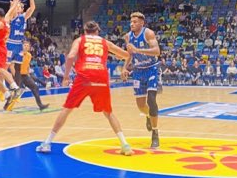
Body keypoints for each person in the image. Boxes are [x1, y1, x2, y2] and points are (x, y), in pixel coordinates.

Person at [36, 22, 132, 155]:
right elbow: (127, 55)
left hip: (84, 77)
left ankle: (47, 143)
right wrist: (122, 53)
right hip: (101, 77)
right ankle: (125, 145)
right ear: (98, 31)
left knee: (66, 109)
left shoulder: (80, 40)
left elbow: (70, 56)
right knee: (108, 113)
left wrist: (66, 77)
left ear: (85, 31)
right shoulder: (105, 42)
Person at [122, 12, 162, 148]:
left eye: (135, 22)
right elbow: (130, 54)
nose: (132, 24)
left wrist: (138, 50)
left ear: (141, 23)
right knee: (141, 105)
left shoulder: (148, 33)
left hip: (152, 69)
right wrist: (124, 68)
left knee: (151, 100)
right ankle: (148, 116)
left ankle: (155, 133)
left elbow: (157, 51)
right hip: (138, 71)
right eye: (131, 22)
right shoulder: (128, 37)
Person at [6, 0, 36, 109]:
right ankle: (4, 89)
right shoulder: (13, 16)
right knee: (5, 67)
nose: (19, 6)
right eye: (18, 5)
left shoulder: (24, 17)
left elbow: (32, 7)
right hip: (11, 43)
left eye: (20, 6)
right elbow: (14, 1)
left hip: (18, 44)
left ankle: (15, 92)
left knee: (18, 70)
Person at [18, 41, 49, 111]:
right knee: (16, 92)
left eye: (27, 46)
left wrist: (28, 73)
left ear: (29, 47)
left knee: (35, 87)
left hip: (25, 75)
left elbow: (27, 65)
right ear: (22, 46)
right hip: (18, 75)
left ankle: (40, 105)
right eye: (25, 45)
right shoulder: (18, 54)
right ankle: (7, 105)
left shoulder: (29, 55)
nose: (26, 47)